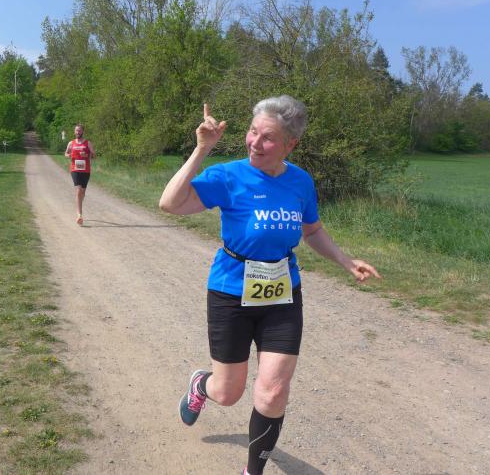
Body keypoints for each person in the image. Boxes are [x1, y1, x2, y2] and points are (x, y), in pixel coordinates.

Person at [159, 97, 379, 475]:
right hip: (230, 292)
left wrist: (345, 260)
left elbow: (312, 230)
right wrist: (202, 149)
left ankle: (252, 471)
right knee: (228, 393)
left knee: (274, 391)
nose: (255, 143)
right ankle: (201, 385)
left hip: (282, 292)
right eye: (252, 132)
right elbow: (170, 203)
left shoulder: (300, 181)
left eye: (268, 138)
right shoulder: (228, 176)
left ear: (291, 144)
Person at [64, 123, 96, 225]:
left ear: (83, 131)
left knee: (82, 192)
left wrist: (87, 154)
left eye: (79, 130)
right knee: (78, 190)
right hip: (75, 169)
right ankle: (79, 215)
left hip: (86, 170)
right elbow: (66, 154)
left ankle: (79, 206)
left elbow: (94, 155)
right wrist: (69, 155)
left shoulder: (88, 143)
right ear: (74, 132)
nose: (78, 132)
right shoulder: (71, 143)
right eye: (76, 130)